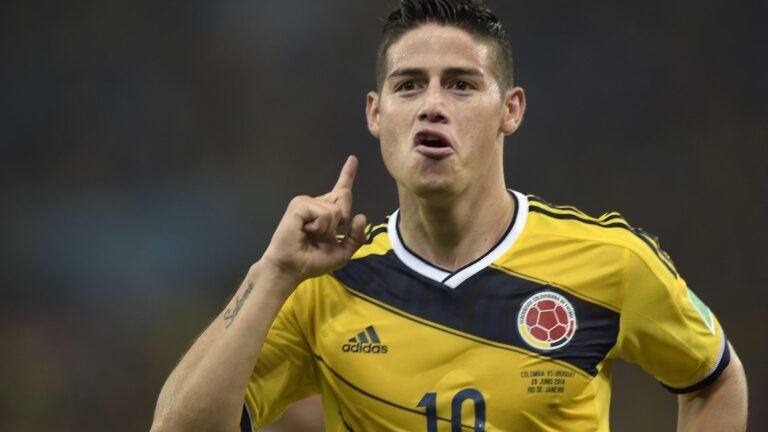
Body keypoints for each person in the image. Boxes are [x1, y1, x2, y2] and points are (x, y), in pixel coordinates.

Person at [150, 0, 748, 430]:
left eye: (461, 85)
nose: (432, 105)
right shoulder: (322, 285)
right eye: (409, 86)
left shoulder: (612, 263)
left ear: (510, 109)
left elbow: (714, 379)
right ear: (376, 113)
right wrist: (273, 273)